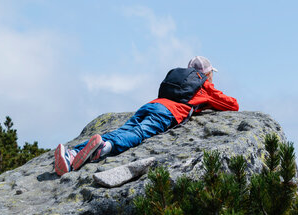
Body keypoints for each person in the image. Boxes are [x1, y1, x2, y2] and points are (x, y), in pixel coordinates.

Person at [54, 56, 239, 175]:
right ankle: (105, 146)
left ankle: (72, 154)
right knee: (139, 133)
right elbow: (232, 105)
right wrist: (207, 97)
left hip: (152, 105)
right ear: (207, 73)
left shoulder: (182, 78)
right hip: (168, 113)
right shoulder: (204, 85)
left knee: (124, 129)